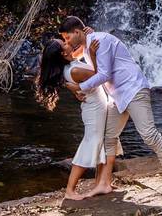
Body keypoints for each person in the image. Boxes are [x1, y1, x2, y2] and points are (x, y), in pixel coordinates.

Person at [59, 16, 162, 196]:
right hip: (117, 97)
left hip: (134, 90)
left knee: (149, 134)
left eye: (67, 38)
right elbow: (69, 57)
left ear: (76, 32)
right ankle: (104, 184)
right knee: (108, 136)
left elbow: (104, 74)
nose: (67, 42)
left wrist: (80, 87)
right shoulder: (88, 45)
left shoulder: (100, 41)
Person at [36, 36, 121, 200]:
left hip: (97, 105)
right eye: (65, 44)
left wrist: (87, 37)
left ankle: (101, 183)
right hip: (94, 109)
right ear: (63, 53)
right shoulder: (74, 70)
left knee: (100, 143)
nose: (68, 43)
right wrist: (94, 55)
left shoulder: (70, 65)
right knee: (91, 144)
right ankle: (70, 190)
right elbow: (99, 75)